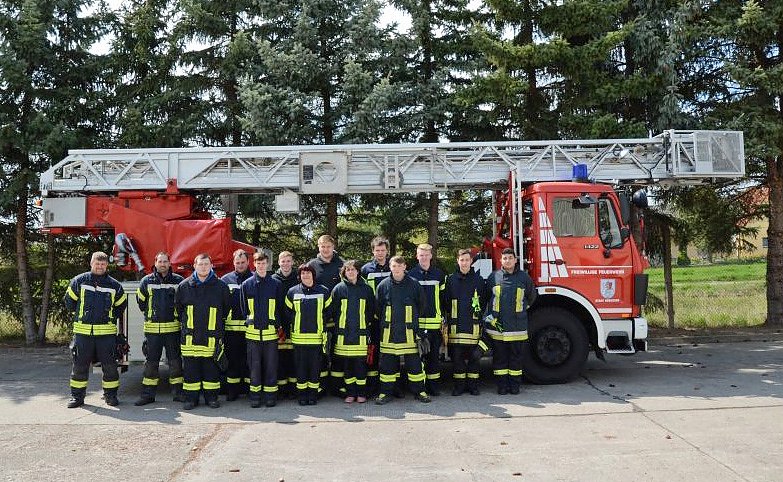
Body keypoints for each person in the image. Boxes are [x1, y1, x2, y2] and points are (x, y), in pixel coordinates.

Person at [64, 251, 127, 408]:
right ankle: (77, 397)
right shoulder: (79, 281)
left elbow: (120, 307)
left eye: (103, 264)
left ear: (107, 265)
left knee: (110, 368)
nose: (100, 266)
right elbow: (69, 303)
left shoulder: (115, 285)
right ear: (91, 263)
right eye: (97, 264)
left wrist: (109, 319)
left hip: (106, 335)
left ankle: (110, 396)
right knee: (79, 367)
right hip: (83, 333)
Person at [176, 254, 231, 409]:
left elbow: (225, 310)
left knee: (211, 371)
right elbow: (179, 309)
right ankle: (190, 399)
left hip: (211, 338)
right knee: (190, 371)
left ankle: (211, 398)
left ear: (211, 265)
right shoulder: (184, 286)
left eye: (206, 264)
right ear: (195, 265)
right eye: (201, 264)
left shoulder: (220, 287)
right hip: (190, 339)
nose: (204, 267)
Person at [374, 256, 430, 405]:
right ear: (390, 267)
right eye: (394, 266)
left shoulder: (414, 284)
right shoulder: (383, 285)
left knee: (415, 366)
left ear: (405, 267)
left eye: (400, 266)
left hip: (409, 334)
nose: (397, 269)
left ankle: (420, 391)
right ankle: (385, 393)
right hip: (388, 334)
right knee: (387, 367)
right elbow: (378, 308)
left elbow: (421, 306)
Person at [134, 252, 185, 406]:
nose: (162, 264)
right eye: (160, 261)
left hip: (173, 331)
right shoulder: (146, 281)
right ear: (155, 263)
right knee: (151, 364)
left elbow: (183, 304)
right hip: (152, 332)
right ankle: (147, 395)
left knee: (175, 363)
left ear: (170, 263)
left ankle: (178, 393)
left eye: (165, 261)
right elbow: (141, 303)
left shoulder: (179, 281)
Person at [484, 248, 537, 395]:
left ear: (515, 260)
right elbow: (487, 297)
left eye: (510, 258)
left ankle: (515, 386)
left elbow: (532, 297)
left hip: (517, 327)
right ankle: (502, 386)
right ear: (501, 260)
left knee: (516, 359)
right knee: (499, 359)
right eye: (504, 258)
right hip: (498, 327)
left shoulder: (524, 278)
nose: (507, 260)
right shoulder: (493, 277)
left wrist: (521, 309)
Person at [241, 251, 284, 408]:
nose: (260, 266)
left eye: (263, 263)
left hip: (270, 334)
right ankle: (255, 396)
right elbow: (243, 309)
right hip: (252, 335)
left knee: (271, 367)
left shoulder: (275, 284)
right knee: (254, 367)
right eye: (258, 263)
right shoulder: (246, 285)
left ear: (268, 264)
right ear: (254, 264)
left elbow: (280, 308)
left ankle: (270, 396)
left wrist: (278, 326)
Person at [285, 264, 332, 406]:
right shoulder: (292, 292)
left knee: (314, 368)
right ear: (299, 276)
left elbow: (329, 311)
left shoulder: (323, 291)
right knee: (300, 368)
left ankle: (313, 395)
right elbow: (287, 312)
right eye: (303, 273)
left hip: (317, 338)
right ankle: (302, 395)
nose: (306, 275)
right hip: (298, 339)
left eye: (308, 273)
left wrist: (320, 322)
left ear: (313, 275)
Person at [444, 249, 488, 396]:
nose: (464, 263)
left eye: (467, 260)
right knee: (457, 360)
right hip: (456, 329)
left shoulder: (479, 280)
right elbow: (446, 302)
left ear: (471, 261)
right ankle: (459, 387)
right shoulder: (450, 280)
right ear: (458, 261)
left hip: (473, 327)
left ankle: (473, 387)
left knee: (474, 360)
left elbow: (484, 302)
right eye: (462, 260)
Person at [331, 260, 375, 403]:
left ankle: (361, 393)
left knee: (360, 365)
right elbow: (334, 311)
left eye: (353, 269)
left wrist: (364, 325)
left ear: (358, 271)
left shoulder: (367, 289)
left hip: (361, 334)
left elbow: (370, 310)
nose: (350, 272)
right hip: (343, 334)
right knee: (347, 365)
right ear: (344, 272)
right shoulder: (338, 289)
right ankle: (350, 393)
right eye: (348, 270)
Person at [408, 243, 447, 396]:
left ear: (431, 256)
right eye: (421, 255)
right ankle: (419, 388)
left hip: (434, 325)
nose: (424, 257)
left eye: (426, 254)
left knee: (433, 359)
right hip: (416, 325)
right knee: (417, 359)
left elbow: (444, 299)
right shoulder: (410, 275)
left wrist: (444, 319)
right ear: (417, 256)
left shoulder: (439, 275)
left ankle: (433, 388)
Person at [307, 235, 343, 394]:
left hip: (338, 317)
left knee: (337, 352)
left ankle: (337, 386)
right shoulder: (311, 265)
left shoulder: (341, 264)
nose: (325, 249)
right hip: (318, 317)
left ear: (333, 247)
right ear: (318, 247)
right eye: (322, 247)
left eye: (328, 246)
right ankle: (320, 386)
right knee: (319, 354)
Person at [360, 236, 391, 396]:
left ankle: (392, 387)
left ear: (387, 251)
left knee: (389, 353)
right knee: (372, 352)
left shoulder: (394, 267)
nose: (380, 253)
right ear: (373, 251)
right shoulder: (366, 270)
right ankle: (372, 387)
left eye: (383, 250)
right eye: (377, 250)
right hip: (372, 318)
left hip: (390, 318)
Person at [220, 249, 253, 401]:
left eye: (243, 262)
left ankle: (248, 390)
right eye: (237, 263)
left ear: (248, 262)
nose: (240, 265)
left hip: (250, 330)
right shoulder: (225, 280)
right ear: (233, 263)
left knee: (249, 362)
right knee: (232, 362)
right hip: (231, 331)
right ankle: (232, 391)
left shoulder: (255, 279)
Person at [272, 251, 298, 399]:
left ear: (292, 262)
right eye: (283, 261)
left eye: (289, 261)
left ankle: (293, 390)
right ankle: (281, 391)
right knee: (280, 359)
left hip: (295, 325)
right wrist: (277, 324)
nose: (286, 264)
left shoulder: (298, 278)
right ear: (279, 262)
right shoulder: (273, 280)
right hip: (279, 325)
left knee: (293, 359)